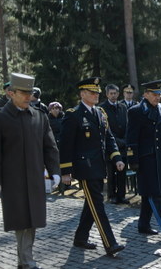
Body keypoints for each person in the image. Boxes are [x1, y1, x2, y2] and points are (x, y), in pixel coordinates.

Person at [0, 72, 60, 269]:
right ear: (11, 93)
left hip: (34, 178)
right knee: (21, 221)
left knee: (32, 220)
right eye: (23, 92)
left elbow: (49, 147)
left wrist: (55, 171)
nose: (29, 96)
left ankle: (25, 261)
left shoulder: (39, 116)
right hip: (13, 181)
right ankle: (27, 261)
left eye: (30, 92)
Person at [60, 77, 125, 257]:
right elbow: (65, 145)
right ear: (82, 94)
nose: (96, 95)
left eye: (97, 92)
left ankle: (80, 237)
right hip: (85, 169)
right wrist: (66, 171)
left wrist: (117, 157)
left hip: (99, 166)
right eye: (92, 92)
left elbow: (109, 138)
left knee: (91, 204)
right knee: (97, 205)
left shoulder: (100, 113)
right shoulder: (73, 115)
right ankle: (110, 243)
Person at [126, 80, 161, 238]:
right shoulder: (135, 111)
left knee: (149, 192)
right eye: (154, 94)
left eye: (159, 94)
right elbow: (131, 137)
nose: (157, 97)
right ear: (146, 94)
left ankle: (143, 224)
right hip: (145, 158)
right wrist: (132, 159)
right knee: (153, 194)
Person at [99, 84, 129, 204]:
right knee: (111, 172)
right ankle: (111, 195)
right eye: (111, 93)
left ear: (118, 94)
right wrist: (117, 140)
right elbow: (105, 128)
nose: (113, 95)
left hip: (123, 145)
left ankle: (122, 195)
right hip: (110, 146)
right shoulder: (102, 108)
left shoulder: (123, 107)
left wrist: (125, 140)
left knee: (122, 172)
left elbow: (127, 124)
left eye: (115, 93)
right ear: (106, 94)